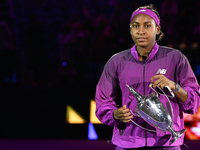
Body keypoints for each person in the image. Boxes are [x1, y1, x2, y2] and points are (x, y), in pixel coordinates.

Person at [95, 4, 200, 150]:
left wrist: (174, 86)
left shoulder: (176, 58)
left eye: (147, 26)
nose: (141, 31)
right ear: (130, 29)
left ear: (157, 29)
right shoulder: (116, 61)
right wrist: (115, 114)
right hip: (128, 142)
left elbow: (193, 102)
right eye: (136, 26)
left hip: (166, 143)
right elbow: (103, 101)